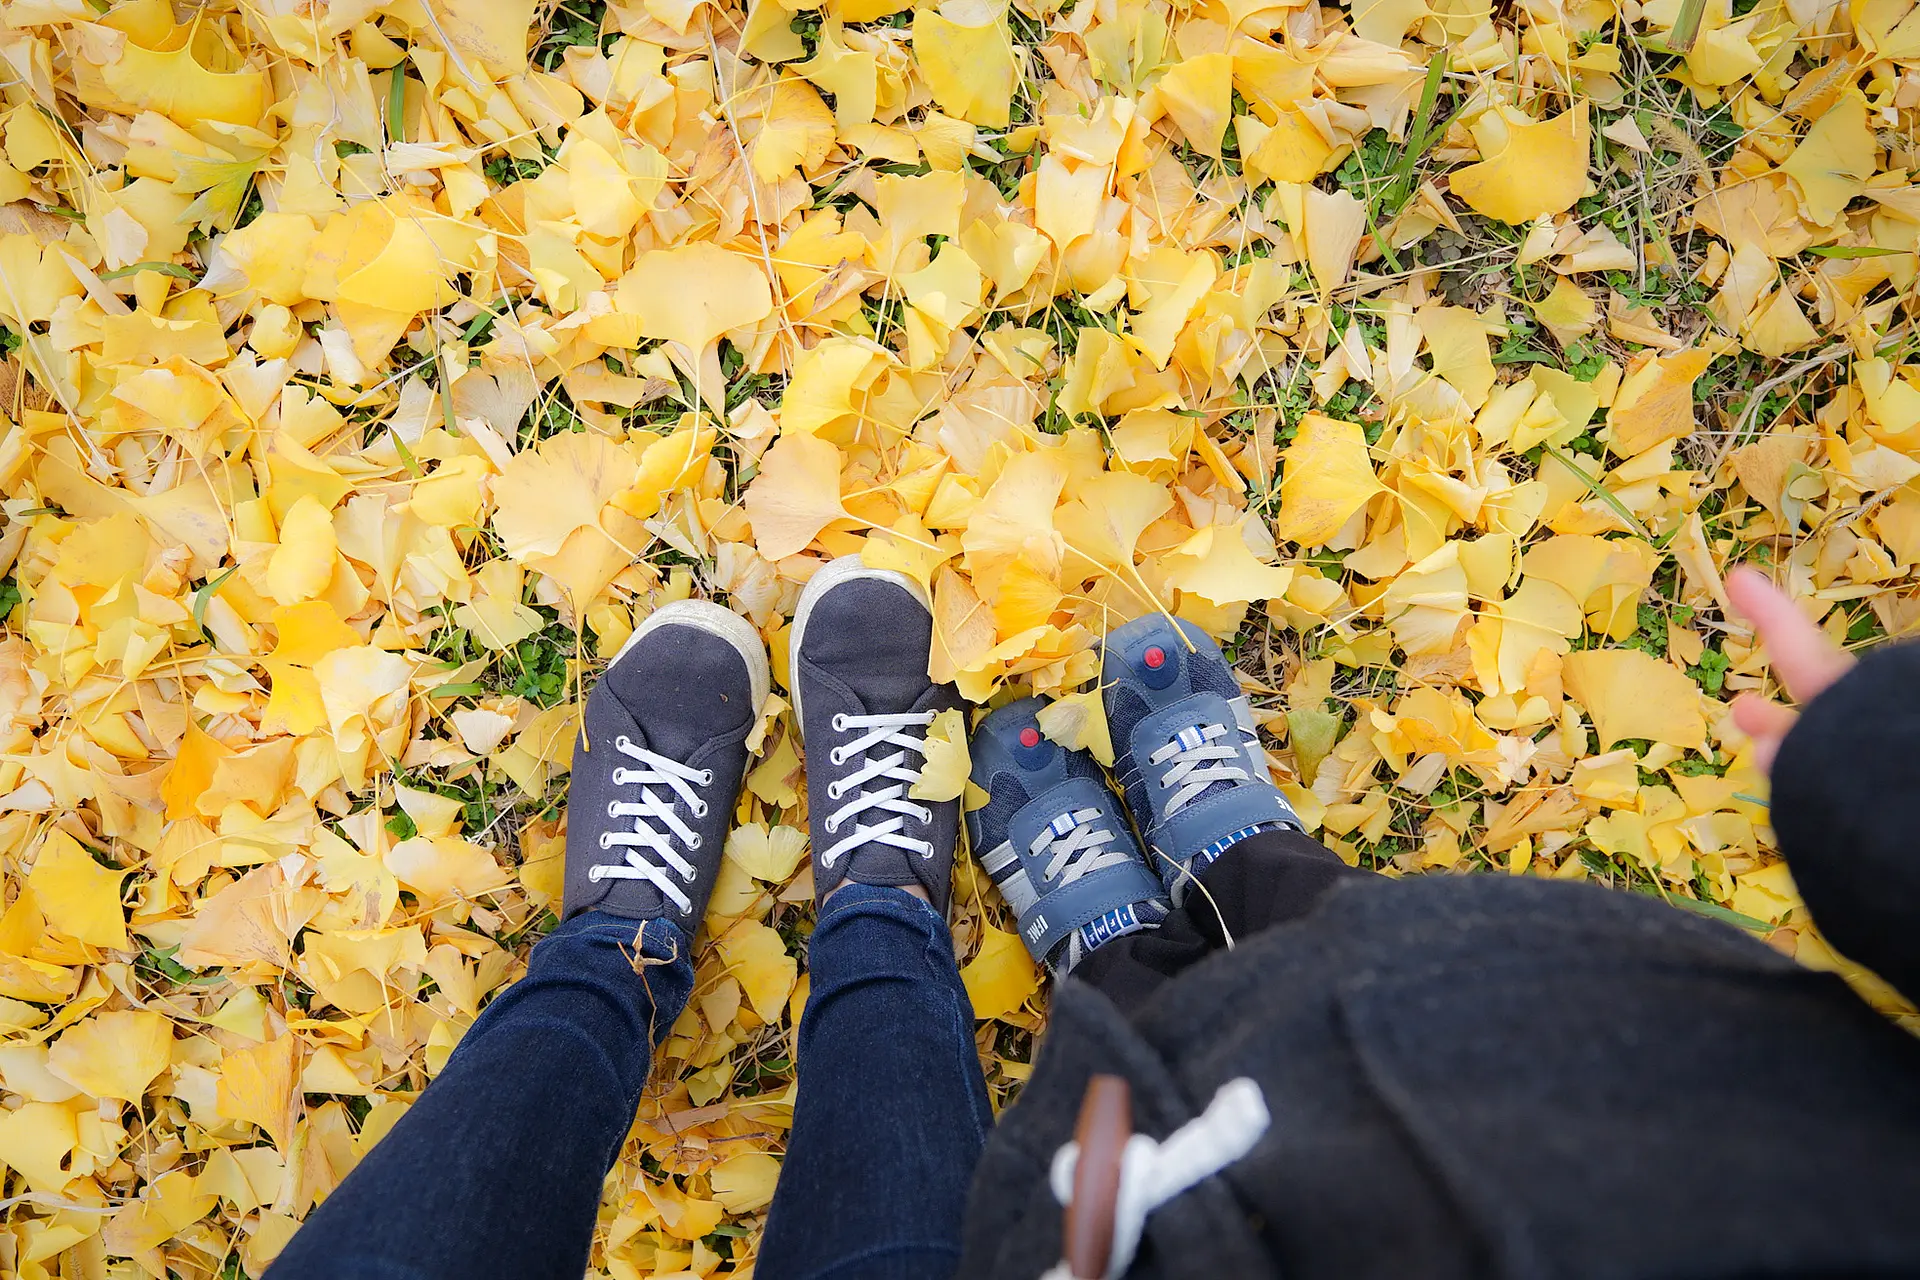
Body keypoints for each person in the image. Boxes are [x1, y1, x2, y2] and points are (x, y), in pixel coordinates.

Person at [269, 558, 1920, 1280]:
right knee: (1327, 952)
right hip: (1635, 1123)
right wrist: (1885, 807)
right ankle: (1222, 869)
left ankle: (697, 933)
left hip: (1170, 1230)